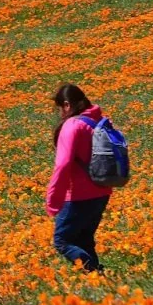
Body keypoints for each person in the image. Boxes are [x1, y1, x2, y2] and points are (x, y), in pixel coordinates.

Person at [46, 83, 114, 272]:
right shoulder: (100, 121)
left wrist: (53, 198)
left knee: (62, 241)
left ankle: (94, 270)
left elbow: (63, 164)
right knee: (84, 240)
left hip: (78, 195)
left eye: (60, 108)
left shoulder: (72, 126)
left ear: (67, 105)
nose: (60, 113)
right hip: (102, 191)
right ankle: (99, 282)